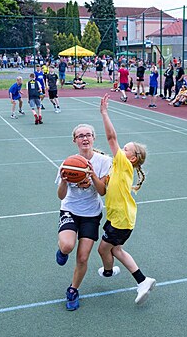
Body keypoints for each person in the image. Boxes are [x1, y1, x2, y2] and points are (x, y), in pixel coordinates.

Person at [97, 94, 156, 304]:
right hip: (120, 217)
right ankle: (142, 280)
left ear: (131, 158)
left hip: (121, 219)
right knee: (116, 249)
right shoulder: (119, 165)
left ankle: (109, 272)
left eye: (126, 149)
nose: (122, 150)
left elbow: (112, 138)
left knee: (104, 249)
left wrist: (104, 113)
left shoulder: (124, 164)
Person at [55, 124, 112, 310]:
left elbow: (102, 191)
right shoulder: (68, 163)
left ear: (94, 138)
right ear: (75, 140)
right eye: (80, 136)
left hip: (91, 214)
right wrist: (65, 180)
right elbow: (61, 196)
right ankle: (62, 251)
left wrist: (91, 175)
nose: (85, 138)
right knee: (68, 245)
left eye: (88, 135)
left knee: (82, 257)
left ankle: (73, 290)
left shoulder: (104, 161)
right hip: (70, 209)